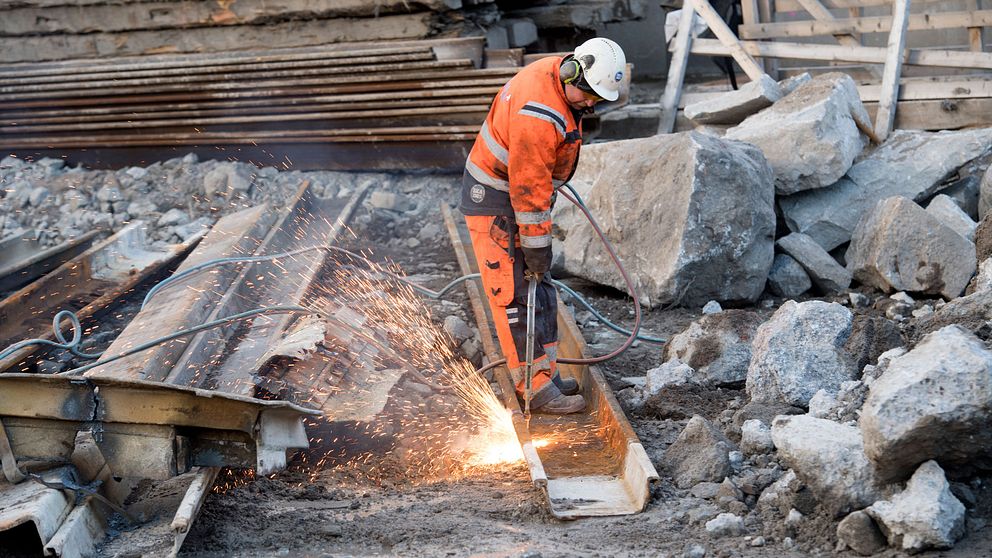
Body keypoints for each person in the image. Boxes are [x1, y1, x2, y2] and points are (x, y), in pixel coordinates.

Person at [459, 38, 627, 414]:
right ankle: (532, 386)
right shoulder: (538, 112)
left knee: (541, 289)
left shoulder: (561, 79)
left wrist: (538, 250)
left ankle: (546, 373)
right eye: (589, 95)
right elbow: (528, 188)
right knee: (514, 295)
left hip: (517, 194)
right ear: (572, 73)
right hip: (496, 198)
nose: (591, 104)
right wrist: (536, 245)